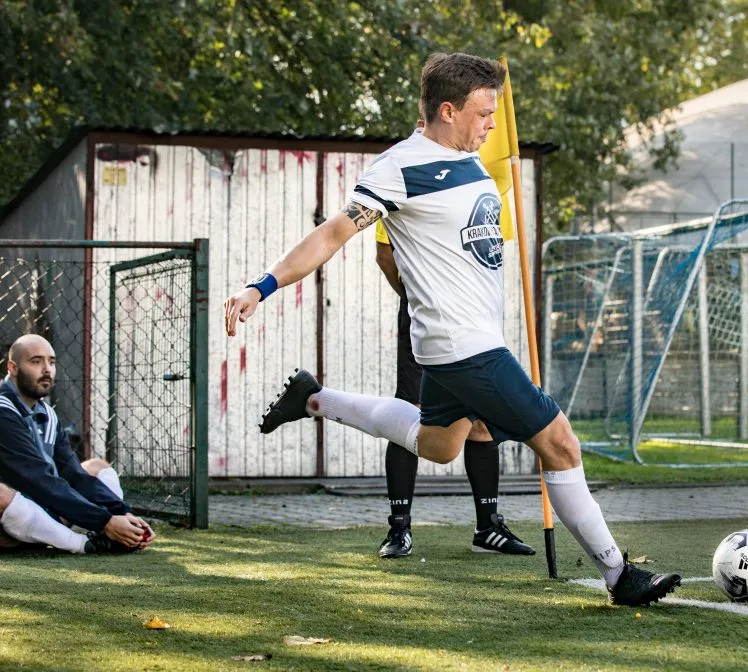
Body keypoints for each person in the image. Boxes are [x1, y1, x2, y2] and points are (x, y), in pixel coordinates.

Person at [224, 52, 681, 606]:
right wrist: (260, 287)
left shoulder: (470, 158)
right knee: (560, 444)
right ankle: (618, 576)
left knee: (439, 446)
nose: (491, 124)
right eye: (484, 113)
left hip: (465, 340)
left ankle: (316, 399)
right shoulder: (400, 168)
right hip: (463, 346)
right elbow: (332, 235)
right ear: (448, 109)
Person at [375, 220, 534, 557]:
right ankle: (399, 526)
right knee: (411, 411)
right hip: (429, 315)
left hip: (477, 316)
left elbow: (492, 254)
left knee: (482, 417)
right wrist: (416, 297)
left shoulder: (495, 178)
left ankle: (488, 526)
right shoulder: (412, 178)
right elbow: (385, 255)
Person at [0, 334, 155, 553]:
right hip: (10, 513)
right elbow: (36, 478)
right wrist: (103, 521)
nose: (47, 370)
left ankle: (114, 533)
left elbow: (71, 474)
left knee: (96, 467)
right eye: (36, 361)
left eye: (51, 362)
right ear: (12, 367)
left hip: (41, 511)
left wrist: (122, 514)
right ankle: (84, 544)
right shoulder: (3, 410)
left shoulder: (47, 414)